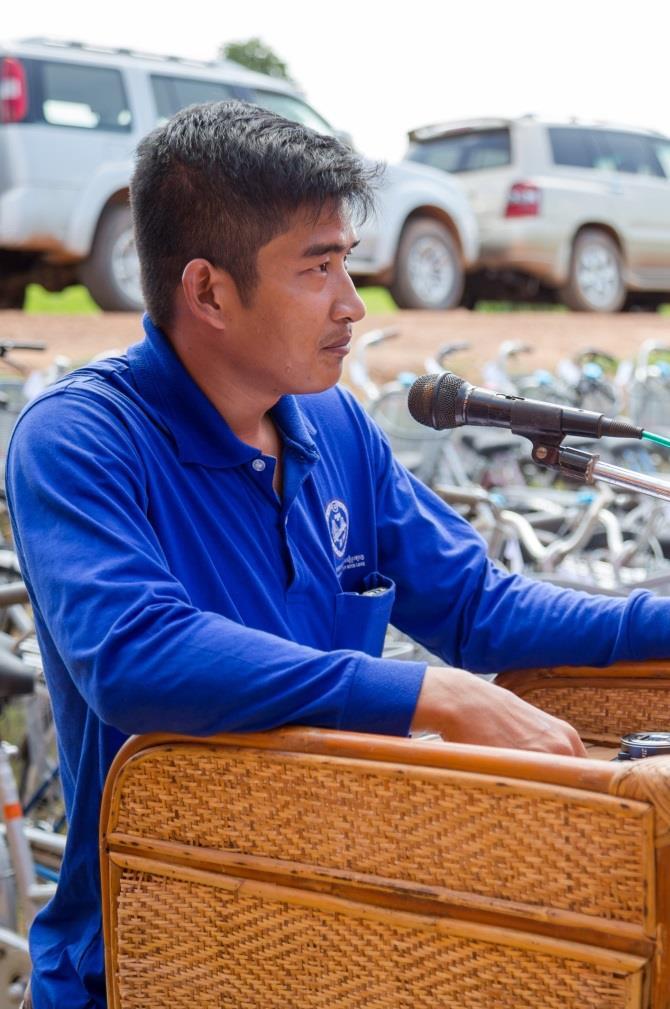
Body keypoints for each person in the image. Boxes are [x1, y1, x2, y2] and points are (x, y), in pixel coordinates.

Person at [6, 100, 670, 1009]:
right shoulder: (79, 439)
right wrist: (428, 691)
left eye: (347, 262)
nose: (353, 304)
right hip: (147, 955)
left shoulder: (333, 424)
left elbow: (477, 607)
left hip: (329, 932)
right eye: (317, 268)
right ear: (207, 290)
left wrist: (659, 621)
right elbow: (134, 653)